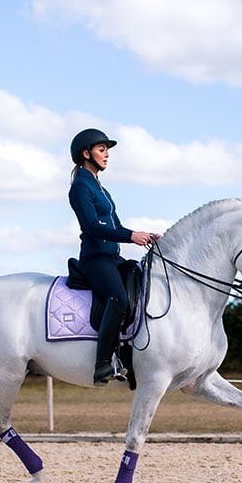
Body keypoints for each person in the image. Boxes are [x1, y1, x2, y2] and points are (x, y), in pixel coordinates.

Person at [68, 128, 160, 385]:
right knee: (118, 297)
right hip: (95, 260)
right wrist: (131, 236)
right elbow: (92, 228)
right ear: (86, 154)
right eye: (102, 149)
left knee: (139, 281)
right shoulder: (80, 187)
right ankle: (102, 364)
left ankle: (130, 358)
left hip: (112, 257)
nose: (107, 154)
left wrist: (146, 236)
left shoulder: (102, 189)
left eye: (107, 150)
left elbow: (116, 226)